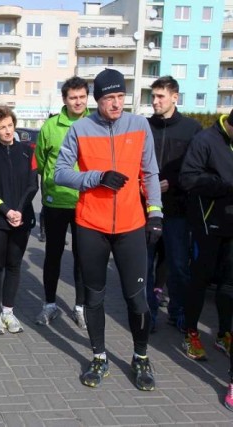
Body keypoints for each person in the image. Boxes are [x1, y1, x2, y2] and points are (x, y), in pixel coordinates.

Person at [54, 68, 162, 391]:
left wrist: (155, 212)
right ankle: (99, 357)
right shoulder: (80, 129)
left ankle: (140, 357)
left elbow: (150, 172)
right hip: (91, 225)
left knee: (136, 299)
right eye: (108, 98)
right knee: (95, 297)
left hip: (131, 225)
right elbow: (60, 173)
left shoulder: (139, 125)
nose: (115, 104)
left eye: (120, 97)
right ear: (96, 100)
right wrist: (95, 177)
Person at [146, 76, 202, 334]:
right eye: (153, 96)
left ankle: (178, 311)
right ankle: (150, 314)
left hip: (178, 211)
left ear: (175, 98)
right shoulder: (143, 127)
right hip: (145, 210)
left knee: (179, 266)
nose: (155, 101)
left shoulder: (192, 129)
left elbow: (198, 168)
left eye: (160, 96)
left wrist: (174, 184)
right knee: (145, 266)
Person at [34, 76, 90, 328]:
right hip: (56, 201)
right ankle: (49, 304)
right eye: (72, 97)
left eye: (82, 97)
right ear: (64, 100)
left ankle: (80, 307)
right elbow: (42, 161)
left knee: (83, 257)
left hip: (87, 201)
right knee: (53, 255)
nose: (78, 102)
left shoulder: (95, 122)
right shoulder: (50, 126)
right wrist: (51, 186)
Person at [179, 109, 233, 364]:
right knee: (200, 280)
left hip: (232, 225)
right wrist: (223, 184)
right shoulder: (205, 140)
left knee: (229, 283)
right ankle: (191, 333)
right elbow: (187, 178)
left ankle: (224, 334)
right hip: (207, 223)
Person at [0, 106, 38, 335]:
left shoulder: (27, 151)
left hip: (21, 219)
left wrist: (20, 210)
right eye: (1, 127)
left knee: (14, 265)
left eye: (10, 125)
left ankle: (8, 312)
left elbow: (33, 185)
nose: (7, 131)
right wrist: (5, 210)